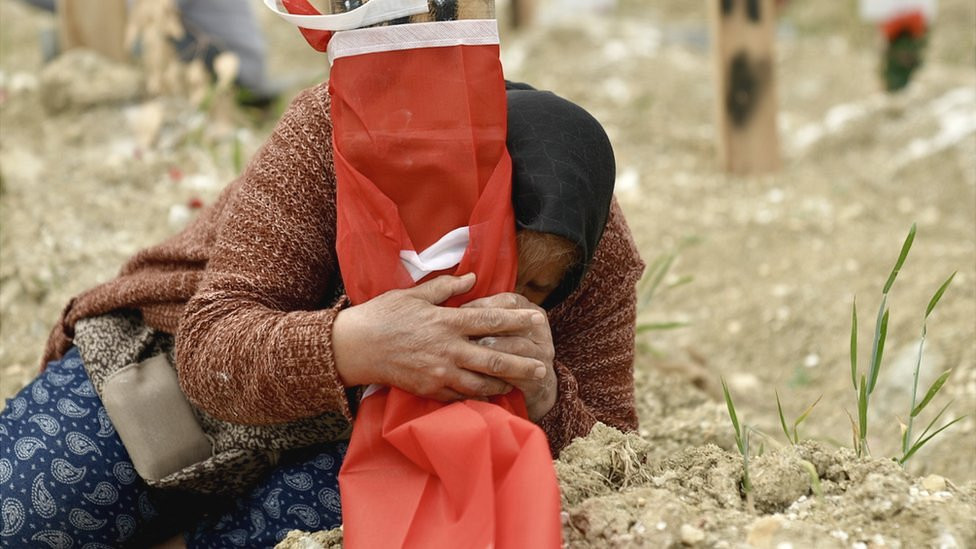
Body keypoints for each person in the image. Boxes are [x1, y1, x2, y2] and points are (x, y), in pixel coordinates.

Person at [0, 83, 644, 547]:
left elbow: (615, 451)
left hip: (365, 442)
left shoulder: (598, 254)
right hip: (172, 370)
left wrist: (546, 399)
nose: (493, 298)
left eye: (534, 287)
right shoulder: (339, 131)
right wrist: (359, 343)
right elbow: (210, 344)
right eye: (487, 262)